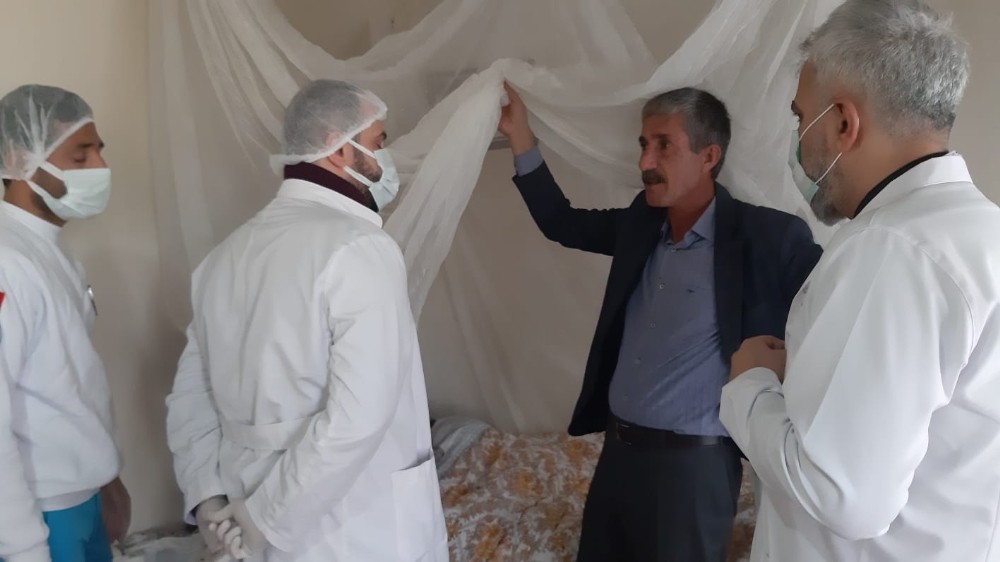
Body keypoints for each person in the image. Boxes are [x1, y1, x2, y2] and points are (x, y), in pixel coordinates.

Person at [720, 1, 1000, 560]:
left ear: (844, 123)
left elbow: (842, 494)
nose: (798, 140)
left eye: (801, 118)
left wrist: (750, 385)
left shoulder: (893, 249)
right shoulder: (980, 231)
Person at [497, 84, 822, 561]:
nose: (644, 162)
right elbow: (561, 222)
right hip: (618, 454)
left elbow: (829, 316)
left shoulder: (767, 236)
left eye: (663, 145)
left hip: (696, 469)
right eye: (643, 145)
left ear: (709, 156)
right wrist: (520, 137)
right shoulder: (641, 224)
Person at [165, 79, 447, 561]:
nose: (386, 157)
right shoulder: (359, 247)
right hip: (355, 527)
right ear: (338, 148)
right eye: (379, 141)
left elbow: (191, 398)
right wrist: (264, 519)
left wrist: (209, 499)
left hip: (246, 517)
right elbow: (359, 416)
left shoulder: (221, 259)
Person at [0, 85, 130, 562]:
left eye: (99, 151)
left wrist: (106, 476)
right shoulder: (7, 261)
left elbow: (69, 381)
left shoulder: (50, 250)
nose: (100, 167)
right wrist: (24, 547)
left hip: (80, 497)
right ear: (18, 160)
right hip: (39, 512)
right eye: (81, 156)